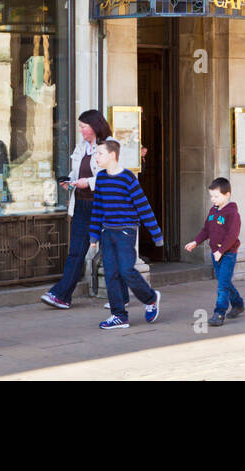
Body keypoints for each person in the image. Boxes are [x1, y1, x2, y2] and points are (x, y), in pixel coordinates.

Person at [87, 138, 163, 330]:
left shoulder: (128, 178)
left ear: (112, 155)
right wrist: (94, 236)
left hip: (125, 232)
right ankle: (119, 316)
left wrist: (156, 234)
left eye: (100, 153)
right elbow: (97, 208)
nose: (96, 157)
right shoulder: (102, 178)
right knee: (111, 274)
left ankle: (151, 298)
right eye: (96, 153)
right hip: (107, 232)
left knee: (126, 270)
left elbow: (143, 207)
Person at [41, 109, 108, 309]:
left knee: (113, 252)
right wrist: (70, 181)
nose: (80, 130)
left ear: (94, 126)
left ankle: (134, 295)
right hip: (80, 204)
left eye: (83, 126)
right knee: (76, 251)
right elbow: (76, 171)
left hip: (101, 206)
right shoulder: (82, 147)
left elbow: (112, 175)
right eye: (79, 126)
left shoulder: (109, 146)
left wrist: (88, 183)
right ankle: (62, 295)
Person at [184, 177, 244, 326]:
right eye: (211, 196)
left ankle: (219, 314)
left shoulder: (233, 214)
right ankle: (238, 304)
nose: (213, 199)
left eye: (216, 196)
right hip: (215, 253)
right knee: (224, 281)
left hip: (228, 254)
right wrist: (195, 242)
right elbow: (206, 230)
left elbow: (232, 236)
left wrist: (221, 251)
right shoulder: (212, 211)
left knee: (222, 285)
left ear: (227, 195)